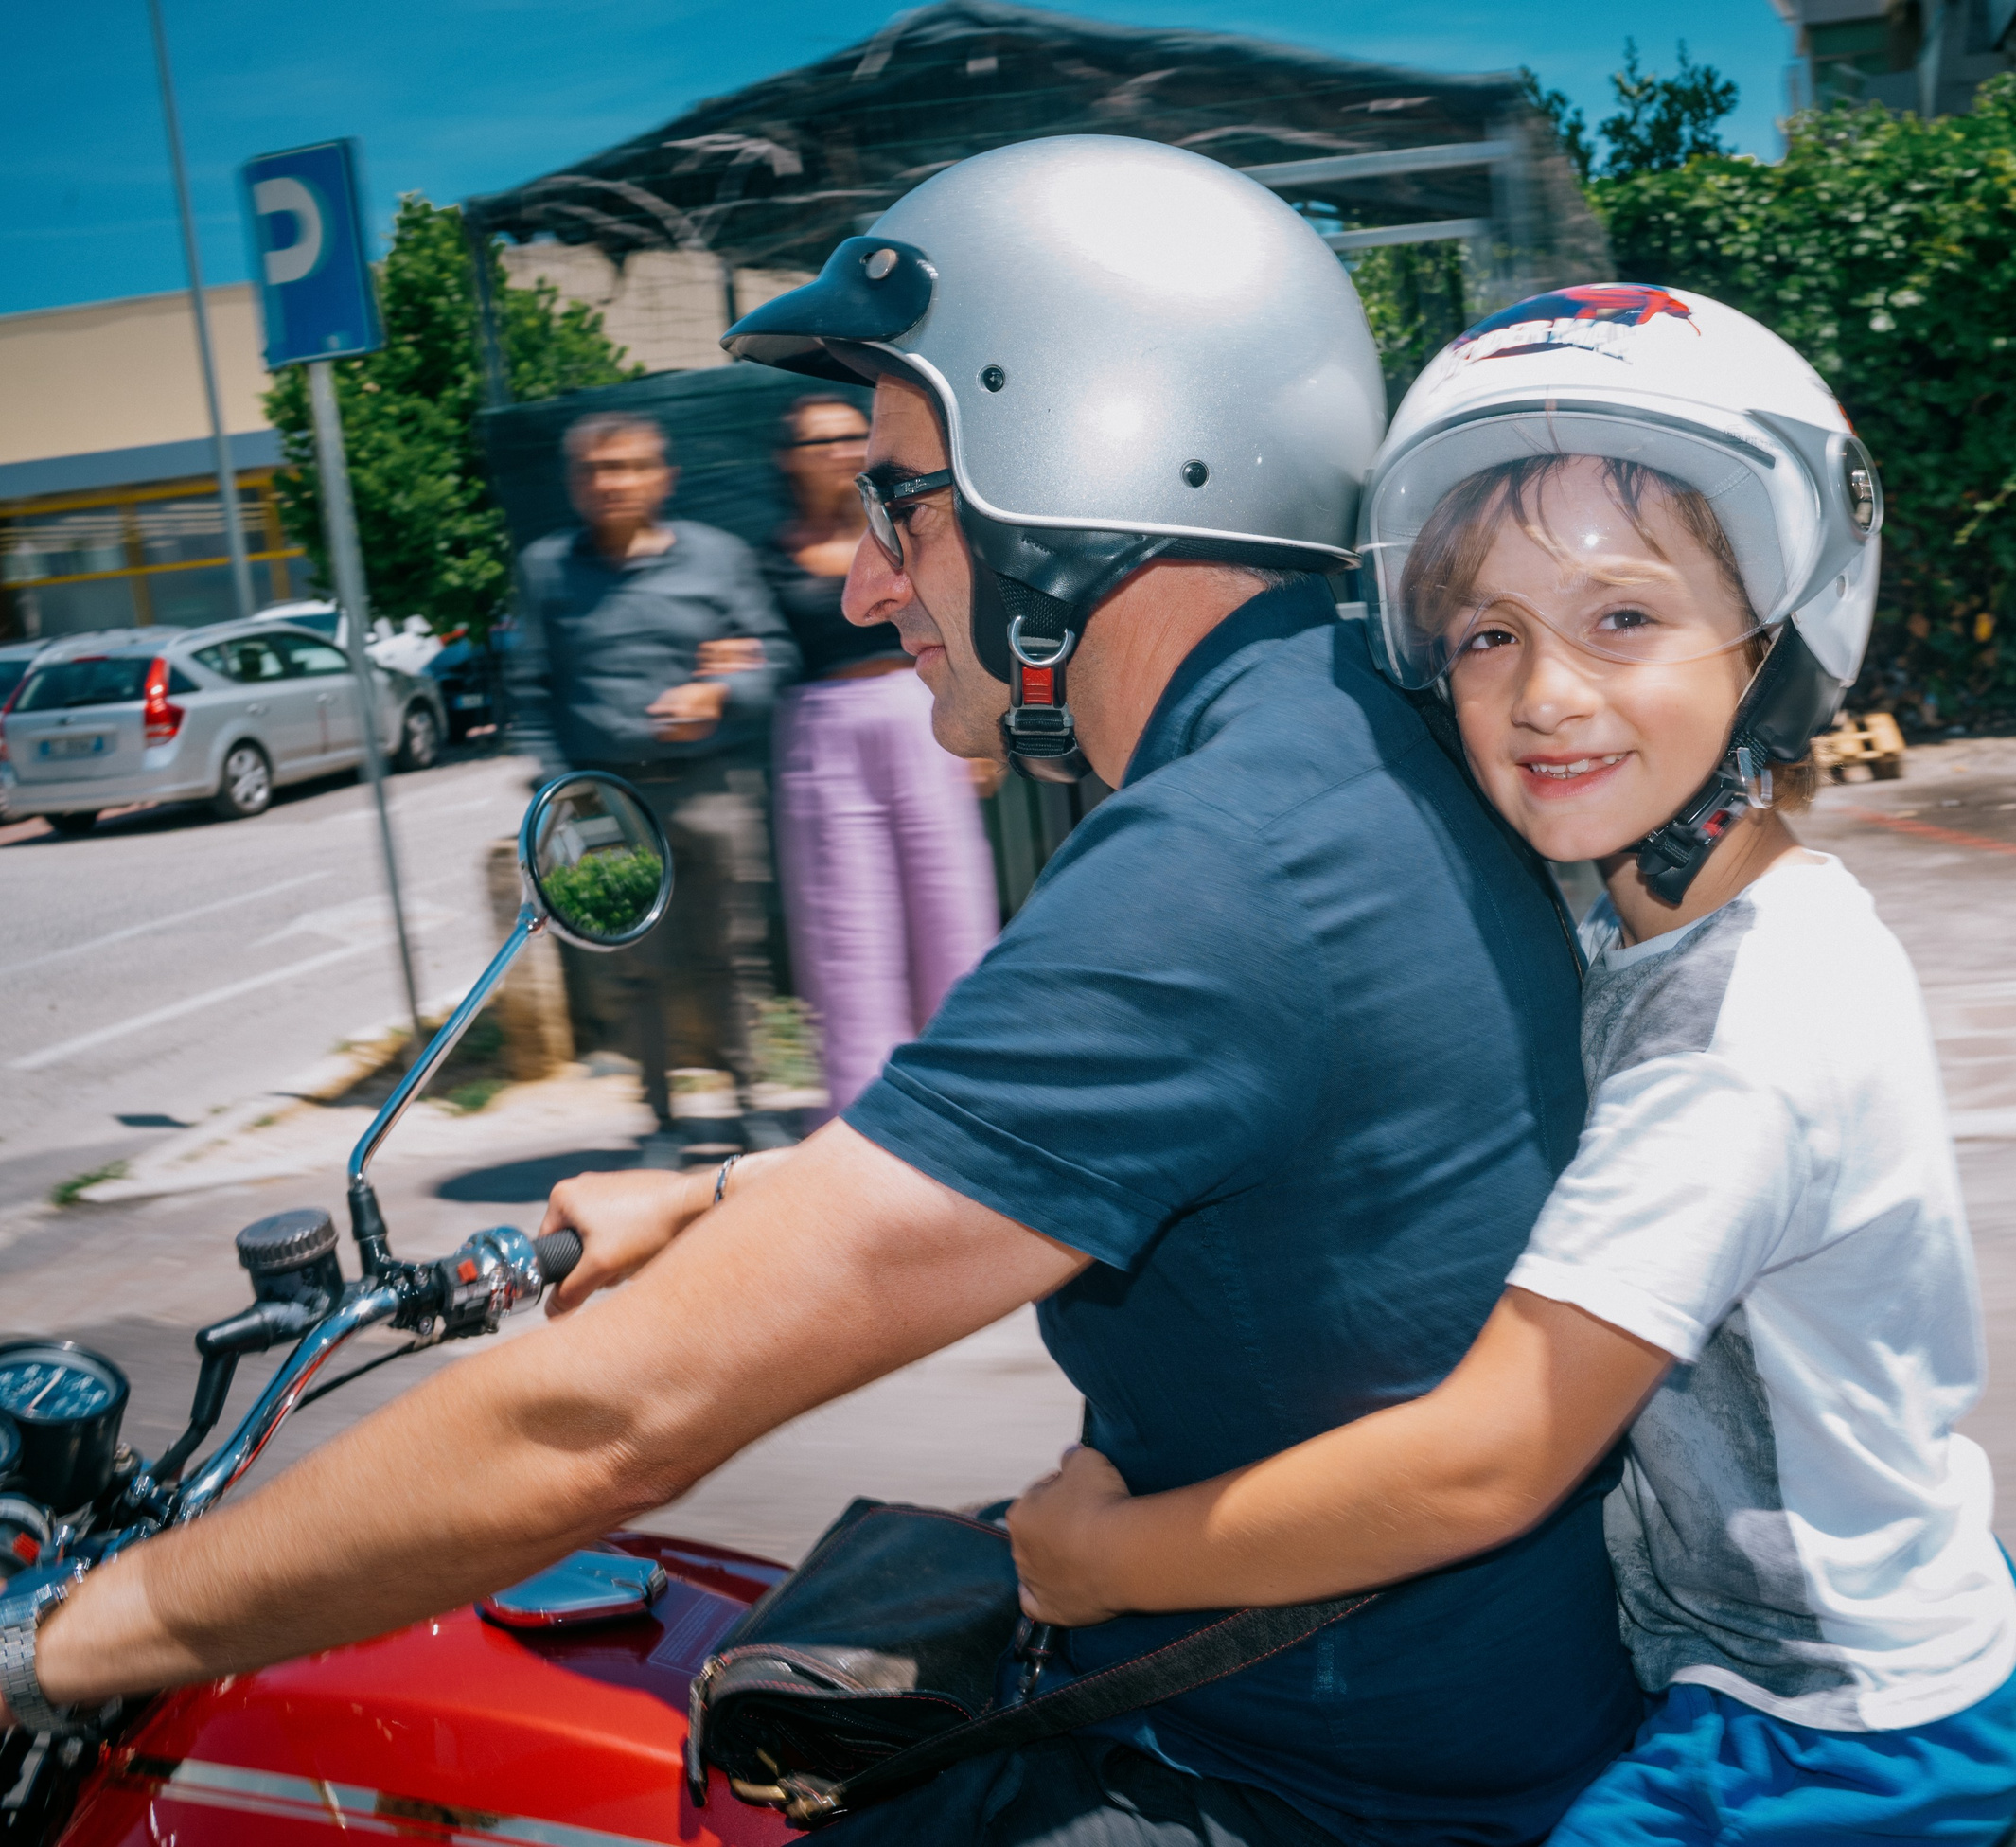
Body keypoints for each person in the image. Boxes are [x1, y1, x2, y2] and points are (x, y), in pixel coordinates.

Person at [10, 142, 1637, 1847]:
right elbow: (1194, 1147)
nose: (864, 581)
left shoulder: (1214, 867)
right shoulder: (1333, 733)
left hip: (1300, 1793)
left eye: (900, 498)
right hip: (1387, 1706)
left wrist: (58, 1642)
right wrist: (729, 1186)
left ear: (1085, 465)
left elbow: (601, 1415)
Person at [1006, 289, 2016, 1847]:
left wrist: (1110, 1563)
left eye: (1622, 617)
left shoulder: (1744, 1035)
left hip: (1821, 1729)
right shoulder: (1645, 918)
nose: (1548, 689)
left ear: (1772, 641)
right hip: (1792, 1633)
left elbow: (1487, 1461)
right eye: (1487, 631)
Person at [505, 412, 801, 1165]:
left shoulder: (720, 559)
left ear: (662, 477)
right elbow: (530, 695)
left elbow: (774, 660)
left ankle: (748, 1106)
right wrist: (559, 797)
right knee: (639, 971)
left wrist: (719, 696)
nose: (613, 482)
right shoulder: (546, 569)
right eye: (598, 469)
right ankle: (663, 1122)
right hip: (607, 806)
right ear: (576, 482)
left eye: (631, 466)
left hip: (714, 790)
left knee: (732, 956)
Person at [762, 390, 999, 1117]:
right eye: (819, 440)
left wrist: (979, 722)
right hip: (824, 743)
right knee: (849, 950)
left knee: (955, 927)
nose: (839, 451)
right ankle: (864, 1138)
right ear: (788, 460)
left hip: (922, 723)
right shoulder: (767, 558)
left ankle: (975, 1117)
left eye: (849, 436)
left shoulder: (916, 529)